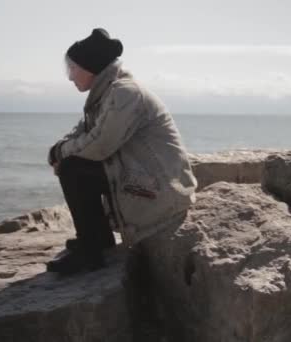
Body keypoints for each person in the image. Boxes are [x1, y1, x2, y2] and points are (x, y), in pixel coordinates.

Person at [46, 28, 197, 275]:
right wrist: (58, 151)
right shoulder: (106, 94)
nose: (70, 76)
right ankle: (97, 239)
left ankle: (90, 252)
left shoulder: (125, 93)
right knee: (72, 163)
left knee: (74, 168)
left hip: (162, 188)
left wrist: (62, 154)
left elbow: (99, 146)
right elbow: (81, 132)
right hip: (142, 176)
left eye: (72, 69)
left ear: (90, 67)